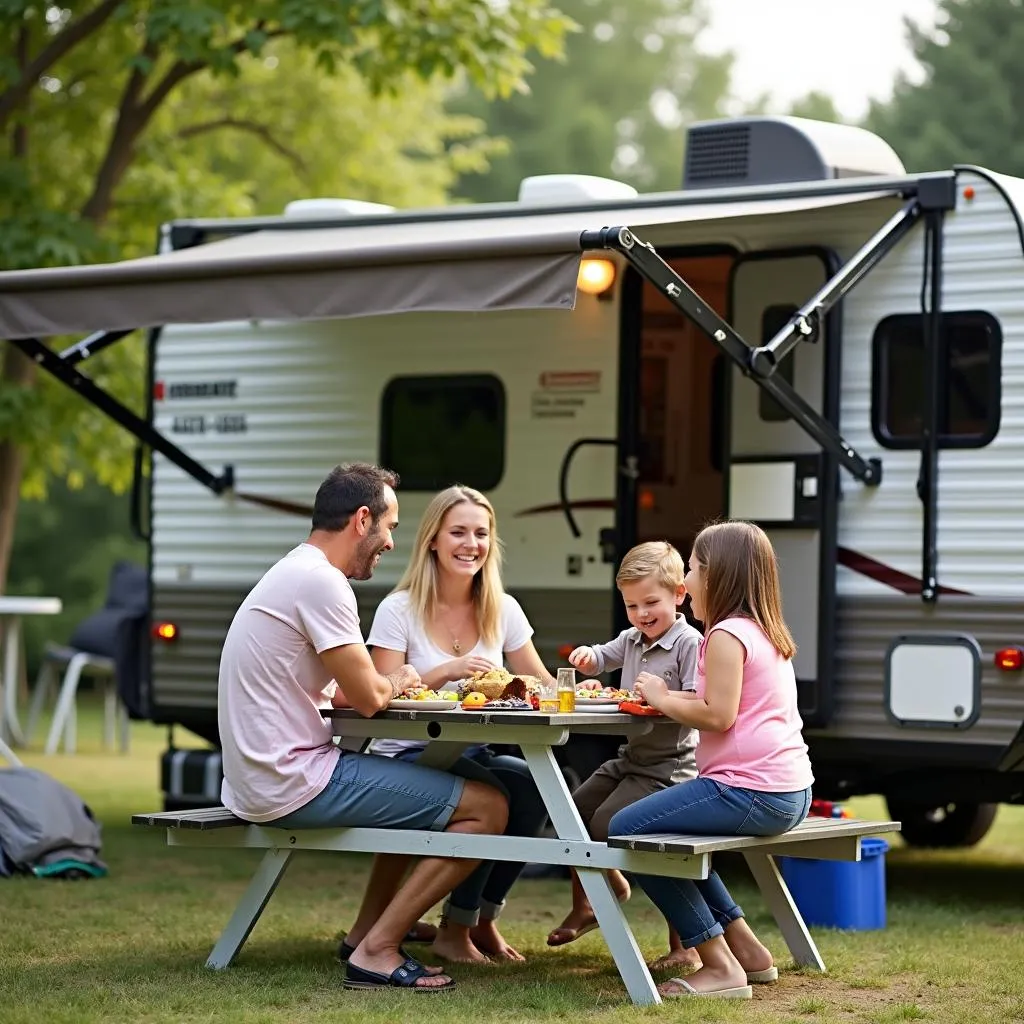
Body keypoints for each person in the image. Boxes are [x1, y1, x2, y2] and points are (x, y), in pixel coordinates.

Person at [217, 463, 509, 993]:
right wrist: (407, 674)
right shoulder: (322, 584)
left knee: (429, 786)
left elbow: (351, 692)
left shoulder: (295, 571)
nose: (392, 543)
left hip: (260, 776)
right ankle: (377, 950)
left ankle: (365, 934)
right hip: (293, 779)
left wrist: (387, 680)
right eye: (390, 526)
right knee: (488, 807)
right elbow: (373, 696)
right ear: (361, 519)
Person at [607, 521, 815, 1000]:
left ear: (718, 575)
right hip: (788, 790)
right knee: (672, 838)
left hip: (750, 790)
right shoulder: (761, 629)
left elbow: (717, 715)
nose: (687, 582)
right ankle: (748, 951)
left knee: (626, 830)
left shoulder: (724, 635)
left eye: (694, 569)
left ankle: (719, 965)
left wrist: (660, 696)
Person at [363, 484, 554, 964]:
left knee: (531, 786)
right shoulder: (398, 609)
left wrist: (575, 687)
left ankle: (473, 922)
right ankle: (450, 934)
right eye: (459, 532)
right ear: (432, 539)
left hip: (470, 749)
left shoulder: (502, 608)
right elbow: (379, 692)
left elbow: (542, 683)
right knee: (498, 794)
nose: (471, 544)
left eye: (481, 533)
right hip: (406, 753)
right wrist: (443, 672)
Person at [546, 541, 703, 974]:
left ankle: (685, 945)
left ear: (678, 595)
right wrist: (586, 658)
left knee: (608, 823)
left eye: (650, 602)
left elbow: (698, 698)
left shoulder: (689, 643)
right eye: (632, 605)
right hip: (630, 757)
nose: (642, 614)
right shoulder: (632, 638)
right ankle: (591, 903)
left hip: (669, 767)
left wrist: (661, 695)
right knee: (571, 812)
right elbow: (601, 659)